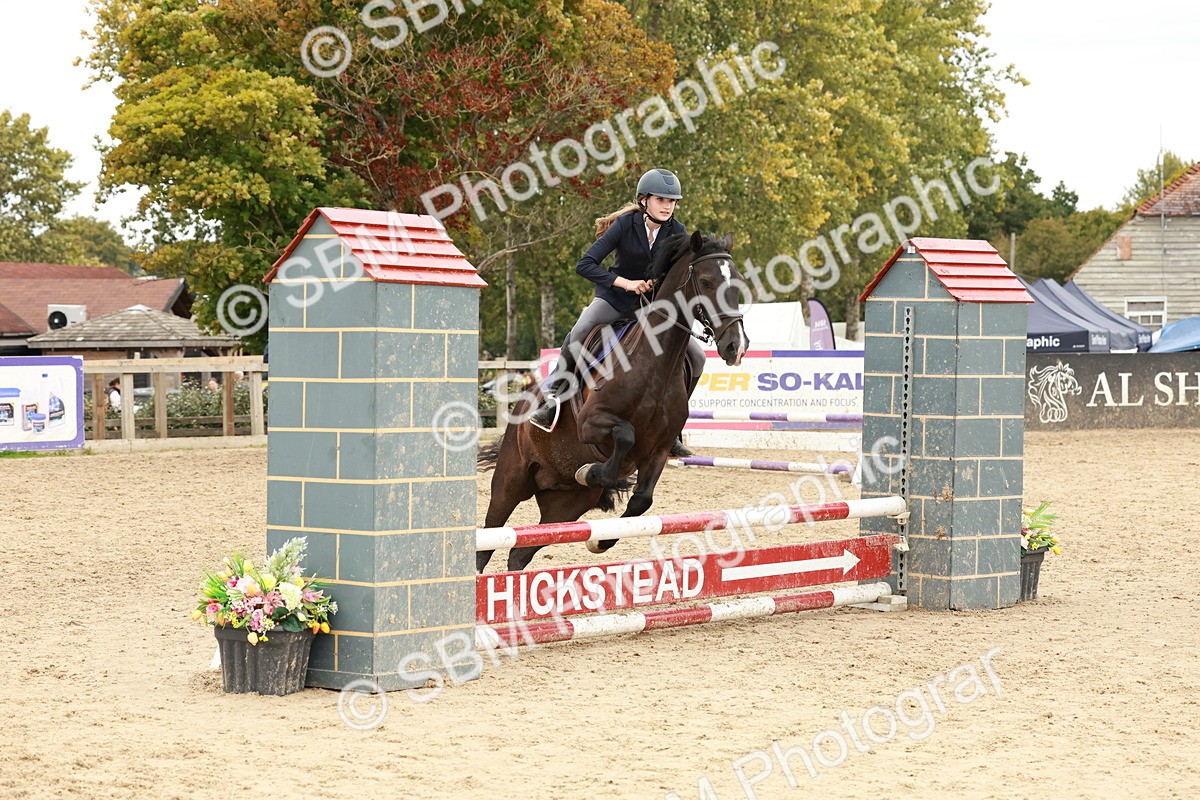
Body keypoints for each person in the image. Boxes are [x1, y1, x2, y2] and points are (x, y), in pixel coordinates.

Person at [528, 168, 706, 457]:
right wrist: (626, 283)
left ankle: (672, 427)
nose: (667, 206)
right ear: (643, 200)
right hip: (615, 300)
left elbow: (677, 273)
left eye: (672, 201)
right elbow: (585, 264)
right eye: (661, 199)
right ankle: (555, 399)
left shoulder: (678, 231)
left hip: (651, 308)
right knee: (581, 329)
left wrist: (658, 284)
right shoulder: (625, 225)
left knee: (696, 356)